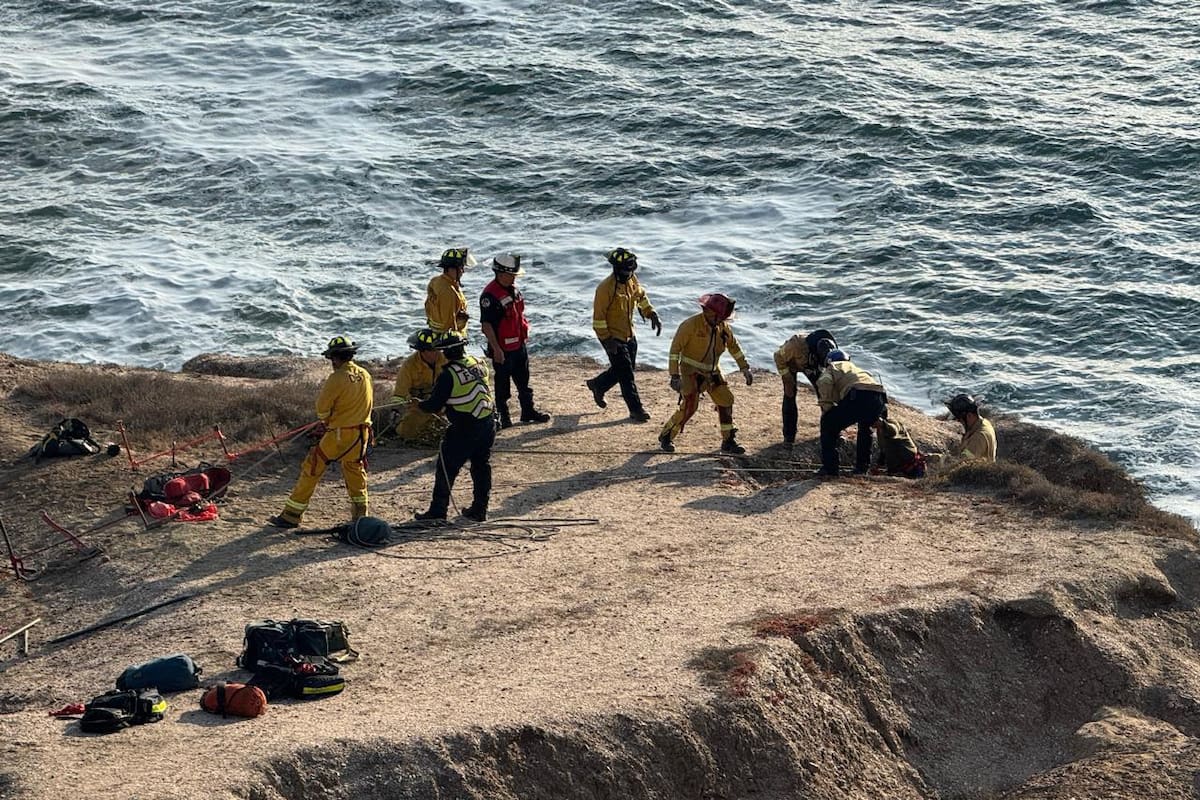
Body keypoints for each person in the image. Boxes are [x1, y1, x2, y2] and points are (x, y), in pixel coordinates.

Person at [269, 336, 373, 528]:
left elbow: (323, 408)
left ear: (335, 358)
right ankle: (361, 515)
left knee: (312, 467)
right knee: (355, 470)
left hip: (339, 435)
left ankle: (291, 515)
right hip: (362, 435)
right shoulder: (365, 374)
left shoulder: (336, 378)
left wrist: (326, 420)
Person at [414, 332, 496, 522]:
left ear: (445, 352)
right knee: (481, 466)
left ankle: (438, 511)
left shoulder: (448, 375)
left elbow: (434, 405)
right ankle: (479, 509)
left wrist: (418, 404)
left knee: (446, 467)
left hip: (465, 428)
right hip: (487, 422)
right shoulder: (478, 362)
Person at [659, 293, 753, 455]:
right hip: (690, 372)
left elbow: (734, 347)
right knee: (690, 406)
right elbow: (675, 351)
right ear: (710, 313)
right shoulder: (690, 326)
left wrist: (744, 367)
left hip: (713, 371)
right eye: (720, 317)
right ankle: (667, 436)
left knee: (726, 400)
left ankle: (728, 440)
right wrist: (674, 376)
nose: (722, 321)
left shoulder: (722, 327)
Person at [586, 247, 663, 423]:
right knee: (627, 376)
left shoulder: (631, 280)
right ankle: (636, 409)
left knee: (625, 369)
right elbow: (598, 320)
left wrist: (650, 312)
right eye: (625, 271)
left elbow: (641, 296)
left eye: (631, 271)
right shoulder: (605, 289)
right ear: (615, 269)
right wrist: (607, 340)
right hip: (613, 337)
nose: (628, 274)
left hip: (629, 333)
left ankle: (598, 384)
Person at [479, 253, 550, 428]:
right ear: (501, 274)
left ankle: (528, 411)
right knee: (502, 386)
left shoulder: (513, 290)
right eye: (511, 275)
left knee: (524, 382)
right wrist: (496, 349)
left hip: (519, 345)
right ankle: (504, 417)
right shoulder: (490, 296)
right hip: (503, 348)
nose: (514, 278)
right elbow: (486, 325)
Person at [814, 344, 887, 477]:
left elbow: (824, 381)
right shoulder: (857, 369)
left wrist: (827, 407)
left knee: (828, 425)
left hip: (857, 395)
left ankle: (830, 469)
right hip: (879, 397)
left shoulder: (832, 367)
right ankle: (862, 469)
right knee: (866, 429)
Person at [774, 329, 836, 444]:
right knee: (790, 393)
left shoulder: (829, 351)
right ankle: (789, 437)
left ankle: (830, 431)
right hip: (790, 364)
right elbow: (778, 356)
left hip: (811, 366)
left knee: (825, 394)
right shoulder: (795, 345)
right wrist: (786, 375)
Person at [387, 328, 448, 445]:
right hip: (419, 406)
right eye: (431, 350)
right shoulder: (409, 365)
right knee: (406, 432)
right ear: (422, 351)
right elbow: (400, 393)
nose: (436, 353)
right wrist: (395, 410)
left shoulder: (446, 360)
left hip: (443, 403)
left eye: (437, 349)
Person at [426, 247, 474, 336]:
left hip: (435, 332)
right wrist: (455, 339)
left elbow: (428, 307)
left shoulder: (436, 281)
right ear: (452, 269)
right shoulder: (448, 290)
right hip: (448, 338)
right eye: (461, 267)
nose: (463, 271)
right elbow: (449, 321)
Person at [872, 409, 926, 478]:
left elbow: (894, 430)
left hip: (909, 461)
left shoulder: (893, 423)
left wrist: (883, 424)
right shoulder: (879, 430)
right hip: (897, 463)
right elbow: (883, 450)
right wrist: (879, 465)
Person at [946, 393, 997, 462]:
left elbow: (962, 462)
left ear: (969, 415)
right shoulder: (983, 422)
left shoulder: (978, 437)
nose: (958, 421)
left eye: (960, 419)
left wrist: (942, 460)